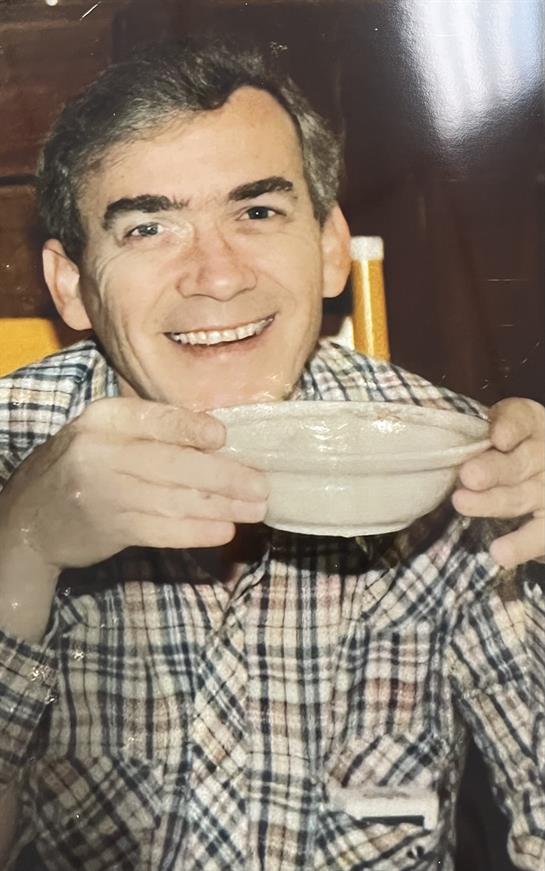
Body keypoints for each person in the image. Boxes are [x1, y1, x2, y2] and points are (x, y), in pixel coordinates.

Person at [0, 37, 543, 871]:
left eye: (256, 212)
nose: (217, 276)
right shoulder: (11, 442)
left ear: (328, 247)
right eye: (148, 227)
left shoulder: (456, 463)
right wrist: (22, 545)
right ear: (72, 284)